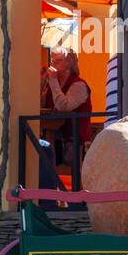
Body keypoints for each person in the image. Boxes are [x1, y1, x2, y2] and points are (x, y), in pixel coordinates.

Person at [41, 48, 92, 177]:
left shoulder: (79, 85)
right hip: (53, 137)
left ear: (69, 63)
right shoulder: (53, 84)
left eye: (58, 60)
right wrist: (42, 82)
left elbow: (63, 106)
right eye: (52, 61)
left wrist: (52, 81)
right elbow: (41, 106)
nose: (53, 64)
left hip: (73, 142)